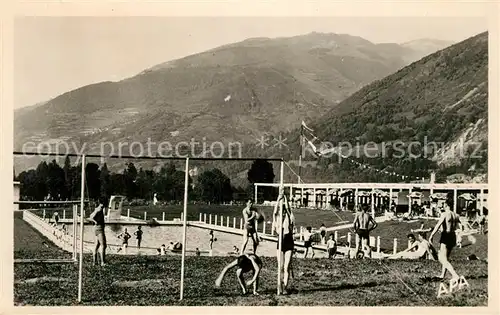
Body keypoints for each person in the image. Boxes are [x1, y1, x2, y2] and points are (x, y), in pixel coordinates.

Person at [429, 200, 461, 281]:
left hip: (446, 235)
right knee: (446, 257)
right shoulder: (456, 215)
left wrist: (432, 235)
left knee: (442, 258)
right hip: (452, 235)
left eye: (443, 205)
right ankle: (442, 275)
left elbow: (438, 224)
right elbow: (460, 226)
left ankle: (455, 275)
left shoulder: (445, 214)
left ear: (446, 205)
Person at [274, 193, 295, 295]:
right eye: (280, 210)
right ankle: (279, 287)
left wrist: (285, 197)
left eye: (283, 210)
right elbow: (274, 212)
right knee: (280, 267)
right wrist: (278, 199)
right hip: (280, 243)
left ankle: (285, 287)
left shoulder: (289, 218)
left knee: (286, 267)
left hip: (288, 242)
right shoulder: (277, 220)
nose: (282, 212)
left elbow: (289, 209)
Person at [89, 200, 107, 266]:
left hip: (97, 228)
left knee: (96, 245)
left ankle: (95, 262)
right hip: (99, 228)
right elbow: (90, 217)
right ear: (101, 203)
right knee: (103, 245)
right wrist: (95, 221)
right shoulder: (98, 209)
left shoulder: (100, 209)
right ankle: (103, 262)